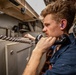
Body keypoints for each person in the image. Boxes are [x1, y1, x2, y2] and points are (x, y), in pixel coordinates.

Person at [22, 0, 76, 75]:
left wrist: (37, 51)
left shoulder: (70, 59)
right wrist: (32, 38)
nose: (43, 29)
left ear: (62, 24)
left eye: (47, 25)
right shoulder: (60, 41)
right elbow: (49, 44)